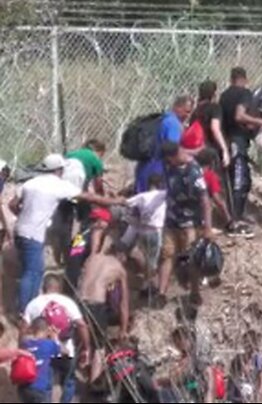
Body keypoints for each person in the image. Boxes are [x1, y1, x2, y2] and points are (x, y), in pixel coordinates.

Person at [11, 154, 120, 311]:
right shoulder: (59, 186)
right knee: (33, 272)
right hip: (35, 235)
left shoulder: (30, 183)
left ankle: (30, 305)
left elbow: (12, 204)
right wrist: (115, 201)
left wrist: (23, 216)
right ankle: (25, 310)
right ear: (59, 170)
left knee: (35, 270)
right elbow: (88, 198)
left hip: (21, 230)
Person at [156, 142, 214, 305]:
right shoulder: (169, 167)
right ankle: (161, 293)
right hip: (172, 220)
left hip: (190, 223)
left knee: (192, 258)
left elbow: (205, 201)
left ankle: (195, 292)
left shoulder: (193, 171)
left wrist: (208, 228)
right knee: (167, 255)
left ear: (173, 156)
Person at [220, 67, 262, 238]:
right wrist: (261, 122)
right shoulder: (244, 94)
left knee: (237, 180)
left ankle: (235, 216)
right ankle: (235, 221)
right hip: (237, 141)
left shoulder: (224, 95)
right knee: (240, 182)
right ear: (244, 79)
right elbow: (239, 116)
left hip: (227, 141)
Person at [23, 275, 90, 404]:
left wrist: (23, 350)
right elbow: (82, 325)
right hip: (66, 349)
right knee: (69, 381)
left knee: (46, 383)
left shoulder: (33, 304)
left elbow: (24, 330)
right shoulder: (68, 302)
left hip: (45, 352)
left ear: (43, 287)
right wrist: (86, 348)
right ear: (59, 289)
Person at [78, 253, 130, 383]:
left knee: (81, 341)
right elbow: (124, 303)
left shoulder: (92, 258)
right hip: (96, 304)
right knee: (99, 348)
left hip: (79, 302)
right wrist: (123, 329)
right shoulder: (120, 269)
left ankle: (80, 369)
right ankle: (94, 384)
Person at [117, 173, 167, 301]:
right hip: (155, 231)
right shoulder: (162, 195)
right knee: (153, 260)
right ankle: (148, 288)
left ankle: (146, 285)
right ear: (160, 184)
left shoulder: (141, 196)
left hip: (142, 231)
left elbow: (126, 203)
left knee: (146, 257)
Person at [135, 96, 193, 195]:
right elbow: (172, 150)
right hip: (158, 170)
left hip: (143, 168)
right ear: (177, 107)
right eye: (186, 111)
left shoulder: (161, 119)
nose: (187, 115)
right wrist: (194, 153)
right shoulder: (173, 124)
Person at [18, 318, 60, 404]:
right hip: (39, 388)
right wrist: (55, 336)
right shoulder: (48, 344)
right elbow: (58, 351)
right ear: (46, 330)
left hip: (23, 388)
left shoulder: (25, 343)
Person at [194, 148, 232, 232]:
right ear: (211, 163)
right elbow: (217, 199)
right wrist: (228, 219)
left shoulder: (191, 172)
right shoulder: (210, 176)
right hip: (200, 209)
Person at [229, 331, 262, 403]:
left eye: (250, 344)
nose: (249, 347)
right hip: (237, 395)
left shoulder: (258, 359)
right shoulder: (237, 359)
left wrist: (258, 396)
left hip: (251, 395)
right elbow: (231, 378)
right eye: (246, 343)